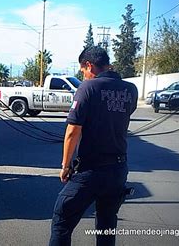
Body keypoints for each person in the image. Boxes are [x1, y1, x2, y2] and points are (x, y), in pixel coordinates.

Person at [49, 46, 138, 246]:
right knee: (106, 225)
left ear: (89, 65)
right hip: (118, 170)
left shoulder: (88, 88)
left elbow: (73, 131)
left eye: (83, 71)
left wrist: (65, 166)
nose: (84, 76)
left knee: (62, 221)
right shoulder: (131, 89)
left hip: (90, 171)